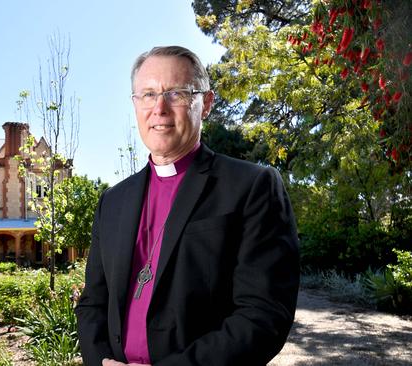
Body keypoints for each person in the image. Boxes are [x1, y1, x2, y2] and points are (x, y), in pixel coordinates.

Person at [75, 45, 300, 366]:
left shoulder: (251, 186)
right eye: (148, 94)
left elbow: (263, 315)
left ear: (205, 103)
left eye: (176, 93)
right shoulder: (113, 201)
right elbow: (93, 303)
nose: (159, 108)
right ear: (135, 104)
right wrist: (100, 362)